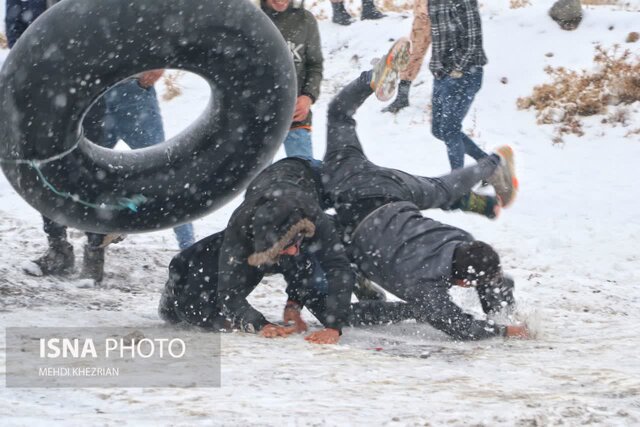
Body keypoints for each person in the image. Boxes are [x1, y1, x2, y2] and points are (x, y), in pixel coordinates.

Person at [321, 39, 528, 340]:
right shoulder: (426, 290)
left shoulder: (461, 240)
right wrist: (505, 327)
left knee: (441, 187)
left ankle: (489, 164)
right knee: (340, 260)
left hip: (390, 189)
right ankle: (488, 177)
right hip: (356, 201)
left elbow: (482, 266)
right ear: (465, 283)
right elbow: (460, 326)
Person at [6, 0, 195, 283]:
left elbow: (158, 16)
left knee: (135, 172)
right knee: (49, 171)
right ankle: (59, 249)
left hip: (111, 91)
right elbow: (17, 34)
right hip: (57, 92)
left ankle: (103, 255)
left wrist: (159, 59)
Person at [159, 158, 415, 344]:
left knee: (336, 273)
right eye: (284, 251)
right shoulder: (239, 233)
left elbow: (335, 266)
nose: (291, 253)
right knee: (191, 311)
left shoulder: (312, 219)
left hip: (313, 177)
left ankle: (375, 288)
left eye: (293, 247)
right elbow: (229, 294)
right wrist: (261, 324)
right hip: (266, 190)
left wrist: (333, 327)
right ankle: (411, 309)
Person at [427, 0, 489, 170]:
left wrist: (457, 70)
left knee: (449, 130)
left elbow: (472, 41)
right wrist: (436, 65)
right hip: (442, 73)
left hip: (465, 73)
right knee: (439, 130)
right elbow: (437, 36)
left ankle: (458, 186)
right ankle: (488, 164)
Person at [259, 0, 323, 160]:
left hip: (296, 116)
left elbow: (315, 65)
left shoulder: (305, 20)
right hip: (259, 118)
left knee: (302, 174)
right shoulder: (252, 18)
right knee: (257, 180)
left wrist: (308, 96)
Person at [382, 0, 431, 113]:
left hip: (447, 14)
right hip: (423, 15)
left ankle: (453, 96)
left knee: (449, 56)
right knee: (413, 54)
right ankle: (402, 97)